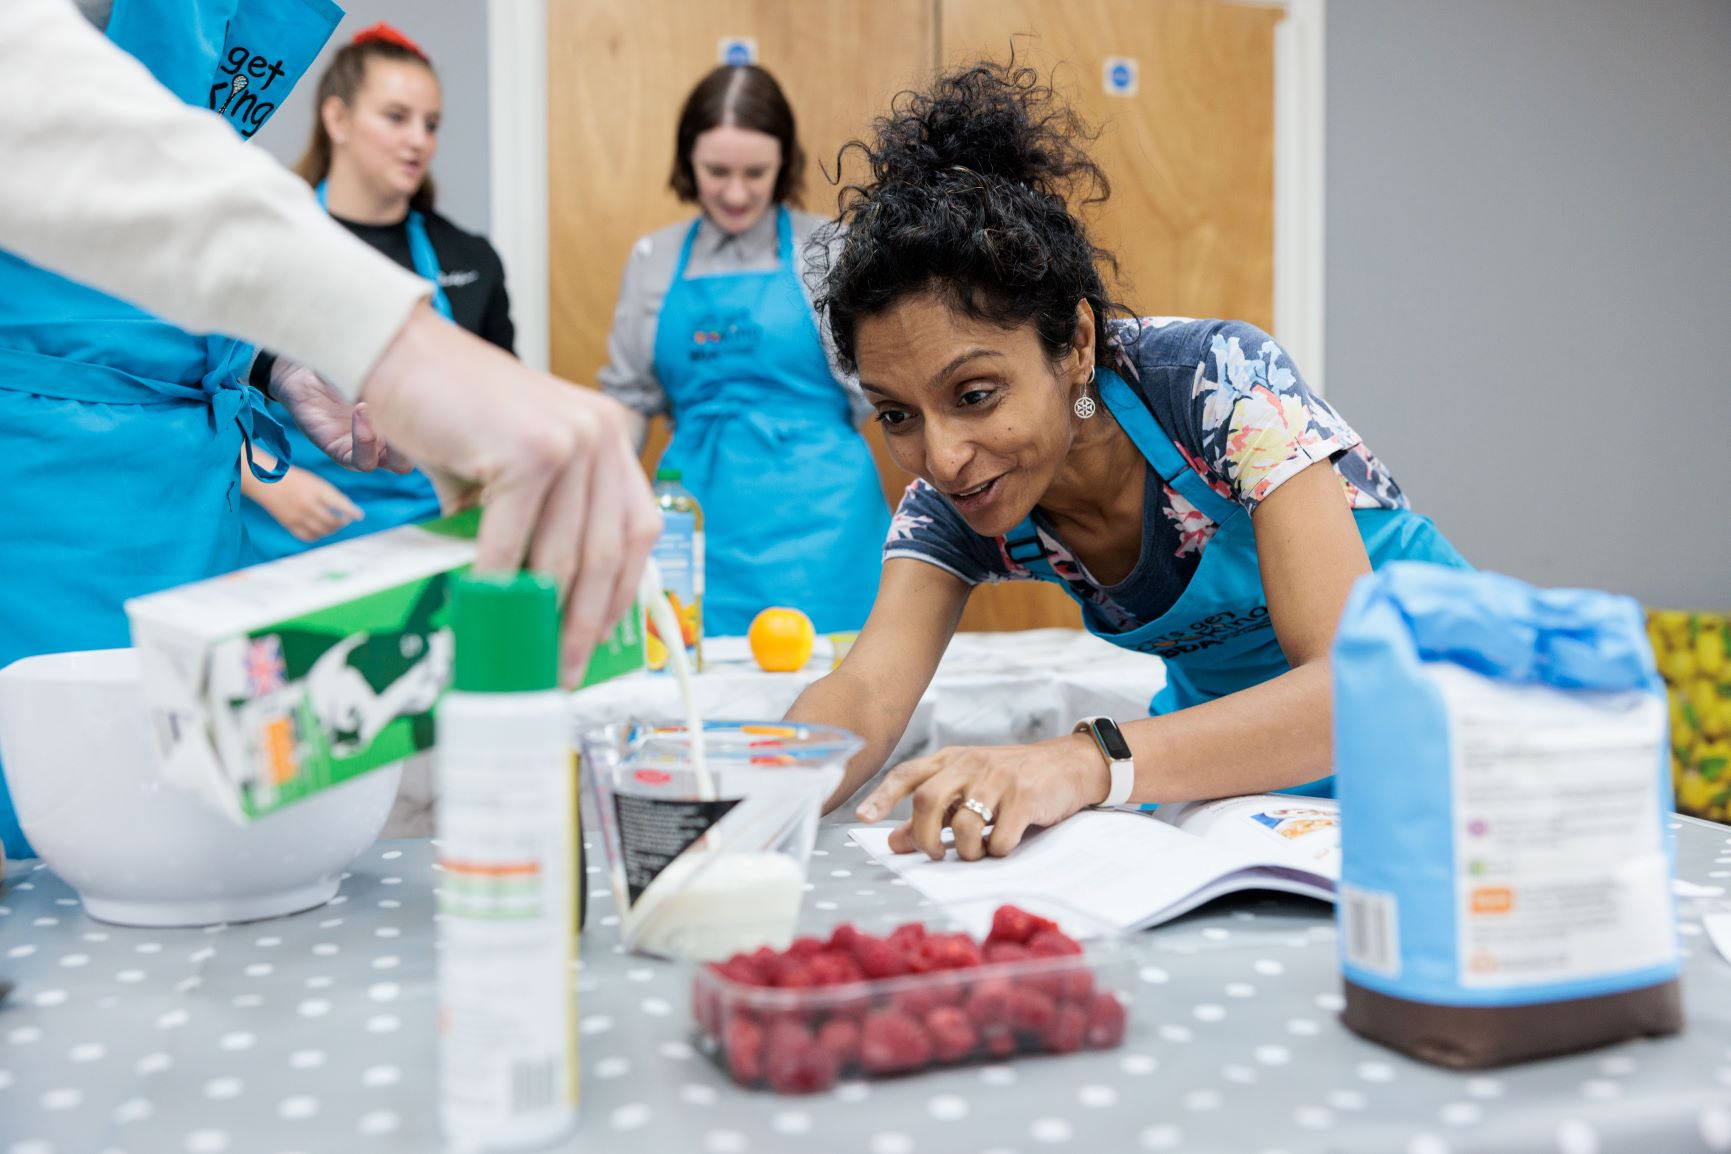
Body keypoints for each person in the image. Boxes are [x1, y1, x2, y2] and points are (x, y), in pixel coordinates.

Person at [0, 0, 657, 859]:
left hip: (191, 502)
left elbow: (145, 233)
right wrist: (394, 341)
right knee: (61, 824)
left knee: (182, 823)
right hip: (49, 491)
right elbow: (46, 110)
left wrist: (269, 361)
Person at [784, 62, 1469, 860]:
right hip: (1242, 778)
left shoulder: (1216, 383)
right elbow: (866, 691)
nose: (941, 457)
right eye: (896, 414)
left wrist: (1086, 761)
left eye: (973, 394)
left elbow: (1354, 692)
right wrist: (741, 796)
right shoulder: (950, 503)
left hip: (1441, 723)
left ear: (1073, 345)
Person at [599, 64, 890, 635]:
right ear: (688, 163)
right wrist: (604, 500)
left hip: (825, 528)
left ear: (784, 162)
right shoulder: (653, 260)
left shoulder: (830, 250)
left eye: (755, 172)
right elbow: (628, 400)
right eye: (716, 171)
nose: (736, 192)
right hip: (693, 527)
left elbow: (886, 387)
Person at [241, 22, 517, 559]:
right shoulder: (263, 245)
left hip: (427, 543)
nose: (419, 140)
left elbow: (499, 410)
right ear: (337, 118)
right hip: (288, 543)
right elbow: (195, 397)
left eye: (431, 124)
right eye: (397, 117)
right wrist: (272, 483)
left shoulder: (468, 260)